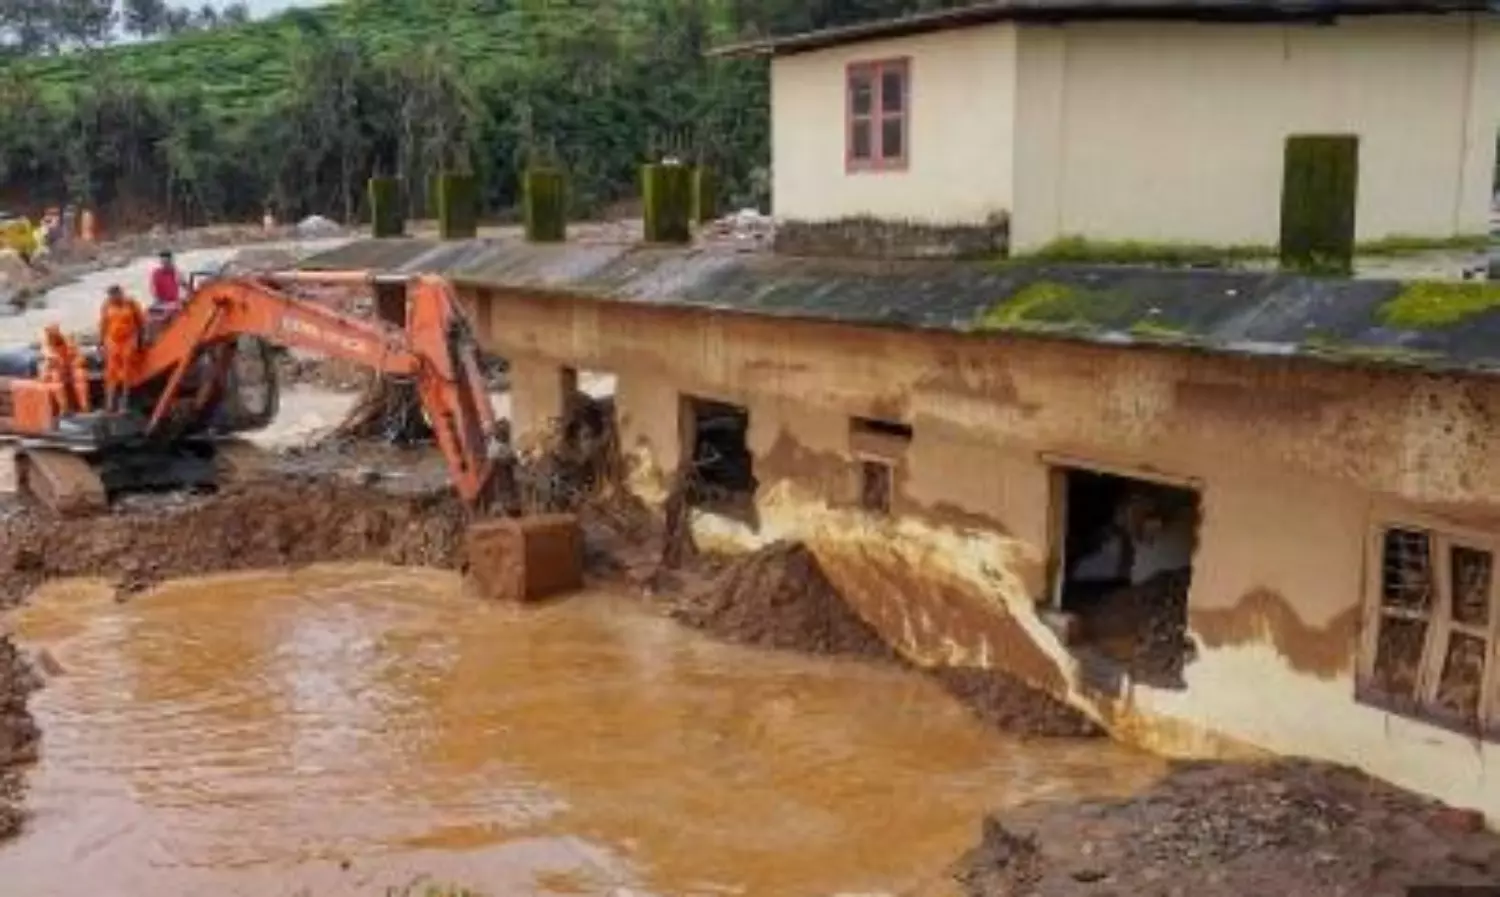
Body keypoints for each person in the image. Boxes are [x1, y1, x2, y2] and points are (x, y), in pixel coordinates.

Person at [98, 285, 144, 413]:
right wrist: (101, 342)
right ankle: (109, 404)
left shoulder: (131, 304)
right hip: (112, 342)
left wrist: (140, 342)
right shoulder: (106, 306)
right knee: (111, 373)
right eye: (110, 295)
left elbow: (141, 323)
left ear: (120, 293)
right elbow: (103, 324)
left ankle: (124, 403)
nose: (112, 297)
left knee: (127, 372)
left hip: (128, 341)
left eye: (114, 294)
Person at [39, 323, 89, 412]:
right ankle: (64, 407)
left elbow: (80, 357)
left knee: (80, 374)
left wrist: (75, 363)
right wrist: (57, 363)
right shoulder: (46, 346)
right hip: (53, 372)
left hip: (69, 368)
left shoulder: (68, 341)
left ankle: (84, 406)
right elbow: (50, 360)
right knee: (56, 377)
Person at [149, 249, 183, 317]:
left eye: (167, 261)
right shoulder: (156, 273)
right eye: (163, 262)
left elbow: (184, 285)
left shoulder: (176, 272)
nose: (165, 264)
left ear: (171, 261)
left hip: (174, 302)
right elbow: (153, 289)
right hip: (161, 302)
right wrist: (158, 299)